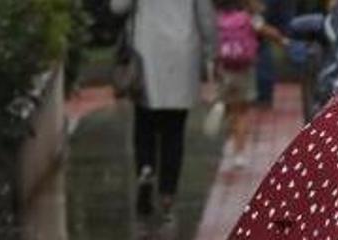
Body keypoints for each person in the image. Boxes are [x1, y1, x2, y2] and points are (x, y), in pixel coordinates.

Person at [110, 0, 215, 219]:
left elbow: (118, 7)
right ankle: (168, 193)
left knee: (144, 119)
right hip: (183, 50)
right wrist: (210, 51)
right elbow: (205, 16)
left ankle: (146, 168)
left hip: (147, 50)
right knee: (174, 128)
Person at [213, 0, 290, 169]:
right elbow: (268, 32)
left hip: (224, 70)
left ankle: (225, 116)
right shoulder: (249, 17)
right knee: (242, 112)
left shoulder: (217, 17)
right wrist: (283, 40)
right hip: (244, 70)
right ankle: (239, 153)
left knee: (231, 109)